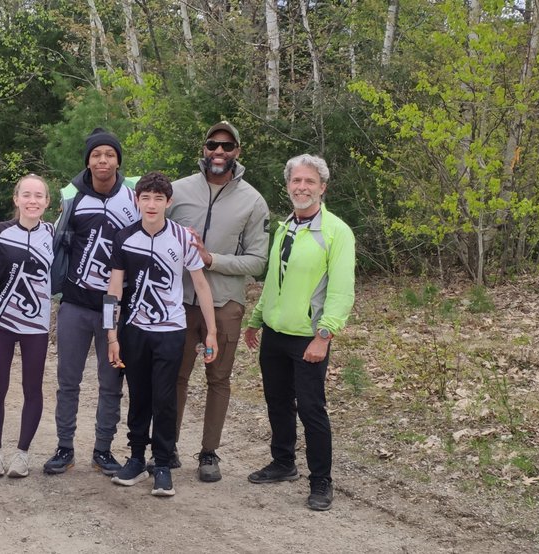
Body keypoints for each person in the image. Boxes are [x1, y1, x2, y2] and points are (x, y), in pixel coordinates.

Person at [243, 154, 355, 512]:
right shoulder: (284, 227)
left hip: (309, 337)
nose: (302, 187)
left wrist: (324, 335)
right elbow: (275, 282)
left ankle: (321, 480)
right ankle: (283, 462)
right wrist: (257, 318)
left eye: (309, 182)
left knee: (311, 408)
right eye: (296, 181)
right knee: (277, 401)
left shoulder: (336, 232)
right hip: (275, 333)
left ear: (322, 188)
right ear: (288, 185)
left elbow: (341, 291)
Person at [105, 171, 218, 497]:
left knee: (165, 399)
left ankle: (163, 463)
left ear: (168, 202)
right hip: (134, 330)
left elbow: (200, 284)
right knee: (138, 396)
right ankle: (137, 458)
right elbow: (113, 290)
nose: (151, 204)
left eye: (158, 198)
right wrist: (111, 334)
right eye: (145, 198)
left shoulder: (182, 237)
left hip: (171, 331)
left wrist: (211, 332)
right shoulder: (124, 237)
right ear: (137, 201)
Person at [167, 121, 270, 482]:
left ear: (237, 152)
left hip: (225, 304)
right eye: (213, 145)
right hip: (178, 302)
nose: (219, 152)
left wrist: (213, 260)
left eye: (227, 146)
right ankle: (167, 448)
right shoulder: (177, 192)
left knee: (219, 379)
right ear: (204, 148)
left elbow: (259, 260)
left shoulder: (253, 201)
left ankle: (209, 453)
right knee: (175, 377)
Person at [44, 128, 140, 476]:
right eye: (96, 154)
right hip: (74, 303)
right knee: (68, 380)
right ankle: (64, 447)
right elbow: (52, 238)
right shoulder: (72, 197)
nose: (103, 160)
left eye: (109, 154)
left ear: (118, 160)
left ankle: (103, 449)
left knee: (110, 383)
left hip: (117, 307)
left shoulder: (133, 195)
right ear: (87, 160)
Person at [0, 175, 54, 479]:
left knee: (32, 389)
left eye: (39, 196)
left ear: (47, 202)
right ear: (16, 199)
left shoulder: (53, 233)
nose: (32, 201)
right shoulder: (1, 230)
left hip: (36, 324)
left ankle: (22, 455)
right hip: (1, 321)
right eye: (27, 195)